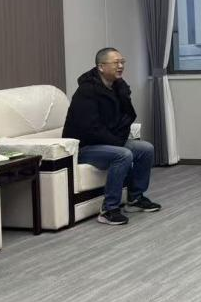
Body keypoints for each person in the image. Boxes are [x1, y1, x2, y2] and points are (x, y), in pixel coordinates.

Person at [63, 47, 157, 226]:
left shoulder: (119, 87)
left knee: (146, 149)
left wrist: (119, 139)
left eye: (122, 62)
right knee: (123, 154)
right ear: (101, 67)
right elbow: (91, 129)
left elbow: (128, 116)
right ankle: (109, 210)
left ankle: (135, 199)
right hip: (85, 147)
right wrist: (117, 143)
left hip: (109, 142)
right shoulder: (86, 91)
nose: (121, 66)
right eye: (116, 63)